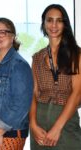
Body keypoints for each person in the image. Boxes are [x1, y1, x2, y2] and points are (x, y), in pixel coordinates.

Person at [30, 4, 81, 150]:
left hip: (65, 123)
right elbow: (33, 94)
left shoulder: (76, 54)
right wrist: (32, 124)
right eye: (49, 20)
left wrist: (57, 128)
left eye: (59, 20)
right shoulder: (37, 57)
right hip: (39, 123)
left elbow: (77, 93)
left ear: (65, 24)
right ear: (43, 23)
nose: (54, 25)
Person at [0, 17, 33, 150]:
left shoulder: (18, 65)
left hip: (7, 134)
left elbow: (21, 103)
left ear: (13, 36)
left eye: (2, 32)